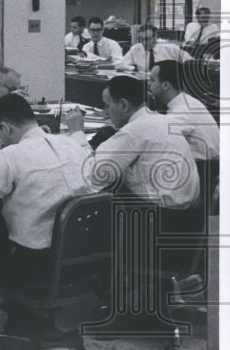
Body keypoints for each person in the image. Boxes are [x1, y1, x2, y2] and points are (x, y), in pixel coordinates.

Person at [0, 94, 93, 319]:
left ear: (4, 127)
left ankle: (19, 312)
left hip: (36, 266)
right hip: (85, 260)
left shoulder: (9, 156)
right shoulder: (74, 145)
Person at [62, 74, 199, 210]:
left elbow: (94, 176)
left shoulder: (134, 131)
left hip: (160, 215)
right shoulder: (160, 119)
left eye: (107, 105)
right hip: (189, 212)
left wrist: (77, 132)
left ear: (123, 105)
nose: (105, 111)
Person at [148, 60, 218, 161]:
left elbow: (154, 139)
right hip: (207, 164)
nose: (148, 83)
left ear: (166, 85)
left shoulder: (182, 111)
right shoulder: (187, 101)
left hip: (203, 168)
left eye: (152, 80)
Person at [116, 23, 190, 73]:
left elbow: (190, 63)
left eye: (147, 39)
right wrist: (133, 68)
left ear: (155, 37)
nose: (144, 43)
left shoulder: (170, 48)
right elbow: (121, 65)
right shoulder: (136, 49)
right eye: (141, 39)